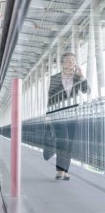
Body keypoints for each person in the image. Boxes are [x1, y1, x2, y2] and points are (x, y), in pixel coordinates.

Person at [45, 52, 90, 180]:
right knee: (62, 140)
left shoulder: (77, 78)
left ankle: (65, 171)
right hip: (59, 114)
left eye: (73, 60)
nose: (72, 63)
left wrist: (82, 77)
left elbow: (87, 91)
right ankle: (60, 170)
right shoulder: (55, 78)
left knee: (69, 142)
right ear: (62, 63)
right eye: (69, 60)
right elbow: (50, 98)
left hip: (73, 114)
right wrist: (48, 116)